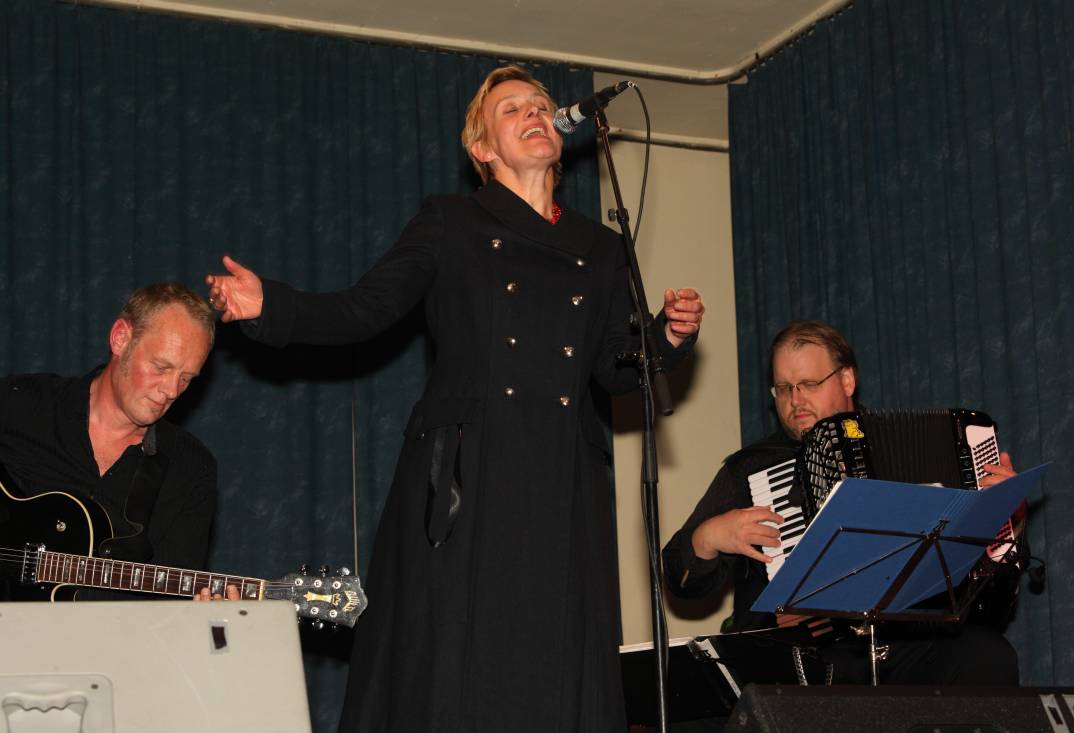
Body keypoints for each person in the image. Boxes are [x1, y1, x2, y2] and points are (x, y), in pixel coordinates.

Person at [206, 65, 705, 732]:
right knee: (457, 665)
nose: (534, 113)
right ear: (482, 148)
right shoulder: (450, 221)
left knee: (555, 660)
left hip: (563, 480)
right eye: (511, 109)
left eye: (541, 104)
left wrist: (666, 337)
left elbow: (615, 370)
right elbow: (364, 309)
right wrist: (273, 306)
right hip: (469, 476)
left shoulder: (602, 246)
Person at [662, 320, 1020, 687]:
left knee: (989, 656)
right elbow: (679, 577)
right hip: (805, 653)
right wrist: (709, 537)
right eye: (784, 388)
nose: (795, 400)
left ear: (847, 380)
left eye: (809, 384)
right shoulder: (752, 468)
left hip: (903, 641)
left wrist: (1000, 521)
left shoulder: (905, 443)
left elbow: (988, 600)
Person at [0, 282, 237, 601]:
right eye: (161, 367)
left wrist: (202, 614)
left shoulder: (190, 467)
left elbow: (169, 609)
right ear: (120, 338)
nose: (171, 390)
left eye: (186, 378)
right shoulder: (20, 405)